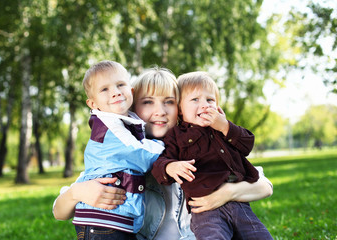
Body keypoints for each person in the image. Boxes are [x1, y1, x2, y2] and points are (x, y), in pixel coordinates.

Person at [53, 67, 273, 240]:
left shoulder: (199, 147)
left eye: (169, 102)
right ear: (132, 107)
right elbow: (58, 212)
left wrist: (225, 194)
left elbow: (264, 186)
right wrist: (77, 193)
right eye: (148, 102)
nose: (160, 111)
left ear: (180, 108)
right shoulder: (125, 154)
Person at [151, 71, 273, 240]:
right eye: (195, 100)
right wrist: (169, 166)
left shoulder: (223, 129)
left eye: (210, 100)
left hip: (239, 205)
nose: (205, 105)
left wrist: (225, 126)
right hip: (205, 210)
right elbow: (160, 163)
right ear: (179, 109)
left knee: (259, 236)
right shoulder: (176, 135)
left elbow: (247, 144)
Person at [72, 60, 165, 239]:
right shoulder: (109, 128)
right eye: (104, 89)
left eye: (120, 84)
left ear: (131, 91)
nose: (115, 92)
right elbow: (140, 154)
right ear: (92, 104)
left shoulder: (124, 121)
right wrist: (167, 148)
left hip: (113, 219)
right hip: (103, 220)